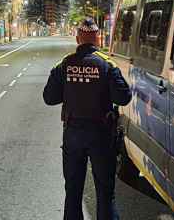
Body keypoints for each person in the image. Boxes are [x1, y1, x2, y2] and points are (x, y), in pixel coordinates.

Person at [43, 18, 132, 220]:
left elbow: (49, 98)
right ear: (97, 39)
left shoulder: (65, 64)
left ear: (78, 39)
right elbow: (123, 97)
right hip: (101, 135)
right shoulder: (107, 65)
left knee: (73, 192)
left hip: (73, 134)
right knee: (105, 192)